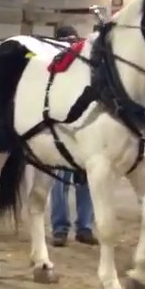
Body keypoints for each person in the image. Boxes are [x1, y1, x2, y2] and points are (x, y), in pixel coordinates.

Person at [49, 24, 97, 247]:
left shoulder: (84, 65)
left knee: (85, 180)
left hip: (83, 132)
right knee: (60, 181)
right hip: (61, 132)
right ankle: (61, 228)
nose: (70, 46)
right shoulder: (55, 66)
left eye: (72, 41)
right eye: (66, 42)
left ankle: (84, 227)